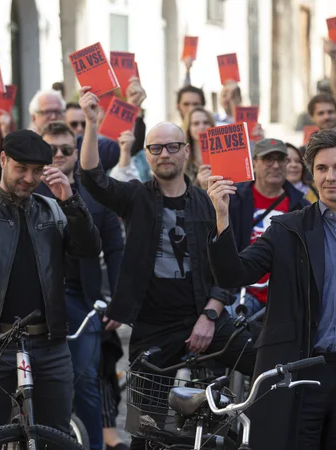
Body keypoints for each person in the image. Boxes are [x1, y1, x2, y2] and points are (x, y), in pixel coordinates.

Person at [206, 127, 336, 449]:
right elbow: (233, 274)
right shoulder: (286, 230)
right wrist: (222, 217)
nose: (330, 176)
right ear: (312, 175)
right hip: (297, 374)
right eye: (321, 168)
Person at [75, 87, 256, 449]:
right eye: (156, 148)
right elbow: (93, 177)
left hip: (206, 316)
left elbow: (228, 268)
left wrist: (209, 314)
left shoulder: (209, 202)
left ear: (185, 151)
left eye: (173, 146)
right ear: (148, 154)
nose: (164, 153)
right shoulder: (136, 196)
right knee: (145, 426)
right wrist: (93, 124)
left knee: (267, 366)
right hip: (153, 325)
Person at [0, 129, 101, 439]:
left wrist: (71, 201)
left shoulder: (52, 211)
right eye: (20, 168)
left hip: (50, 345)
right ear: (3, 160)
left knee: (55, 437)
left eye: (37, 171)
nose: (28, 177)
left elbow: (89, 249)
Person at [36, 121, 125, 450]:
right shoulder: (28, 191)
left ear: (76, 153)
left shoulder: (95, 198)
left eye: (65, 150)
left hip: (82, 300)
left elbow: (116, 249)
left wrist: (117, 299)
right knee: (36, 383)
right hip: (35, 300)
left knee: (86, 380)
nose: (58, 155)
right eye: (51, 150)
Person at [226, 138, 310, 315]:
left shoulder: (301, 206)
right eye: (268, 159)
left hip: (285, 296)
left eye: (280, 159)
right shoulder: (234, 200)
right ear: (254, 163)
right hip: (243, 292)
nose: (275, 165)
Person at [180, 106, 215, 184]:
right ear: (189, 128)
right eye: (196, 124)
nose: (202, 127)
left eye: (206, 122)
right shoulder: (181, 157)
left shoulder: (222, 155)